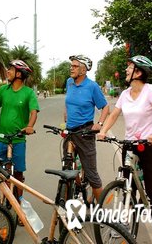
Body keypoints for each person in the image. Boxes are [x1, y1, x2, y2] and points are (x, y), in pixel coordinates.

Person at [97, 55, 152, 244]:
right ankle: (122, 223)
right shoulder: (124, 94)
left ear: (138, 72)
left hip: (149, 146)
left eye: (129, 67)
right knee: (126, 185)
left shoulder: (151, 90)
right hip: (129, 145)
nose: (126, 70)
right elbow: (114, 115)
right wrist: (104, 130)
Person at [0, 60, 40, 222]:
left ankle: (21, 208)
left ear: (19, 74)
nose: (7, 71)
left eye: (10, 69)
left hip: (18, 140)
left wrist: (30, 126)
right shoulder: (3, 90)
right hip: (2, 138)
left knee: (18, 173)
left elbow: (34, 112)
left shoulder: (28, 93)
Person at [64, 55, 109, 201]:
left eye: (75, 66)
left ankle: (100, 212)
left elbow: (105, 107)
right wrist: (66, 112)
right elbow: (69, 100)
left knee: (92, 174)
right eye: (71, 65)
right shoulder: (69, 82)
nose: (71, 68)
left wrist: (100, 124)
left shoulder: (92, 86)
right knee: (66, 170)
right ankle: (66, 205)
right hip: (70, 132)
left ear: (83, 70)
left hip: (85, 133)